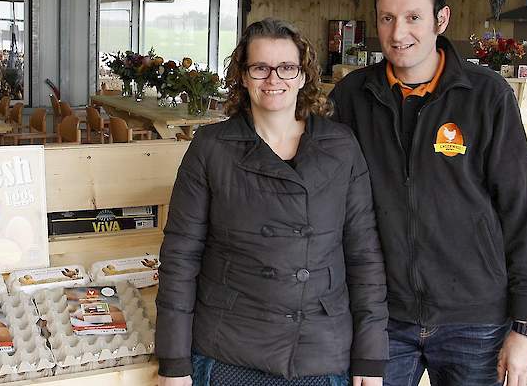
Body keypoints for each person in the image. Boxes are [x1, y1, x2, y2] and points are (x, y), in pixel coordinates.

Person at [328, 0, 527, 386]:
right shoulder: (352, 98)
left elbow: (520, 209)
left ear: (441, 19)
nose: (398, 33)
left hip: (475, 319)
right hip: (383, 320)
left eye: (413, 17)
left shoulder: (487, 97)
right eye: (387, 18)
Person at [155, 19, 388, 386]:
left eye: (286, 67)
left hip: (320, 351)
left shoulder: (341, 146)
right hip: (230, 348)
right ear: (243, 77)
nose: (273, 79)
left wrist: (371, 357)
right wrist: (173, 361)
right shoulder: (211, 147)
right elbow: (181, 257)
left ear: (302, 76)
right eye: (260, 67)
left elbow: (365, 257)